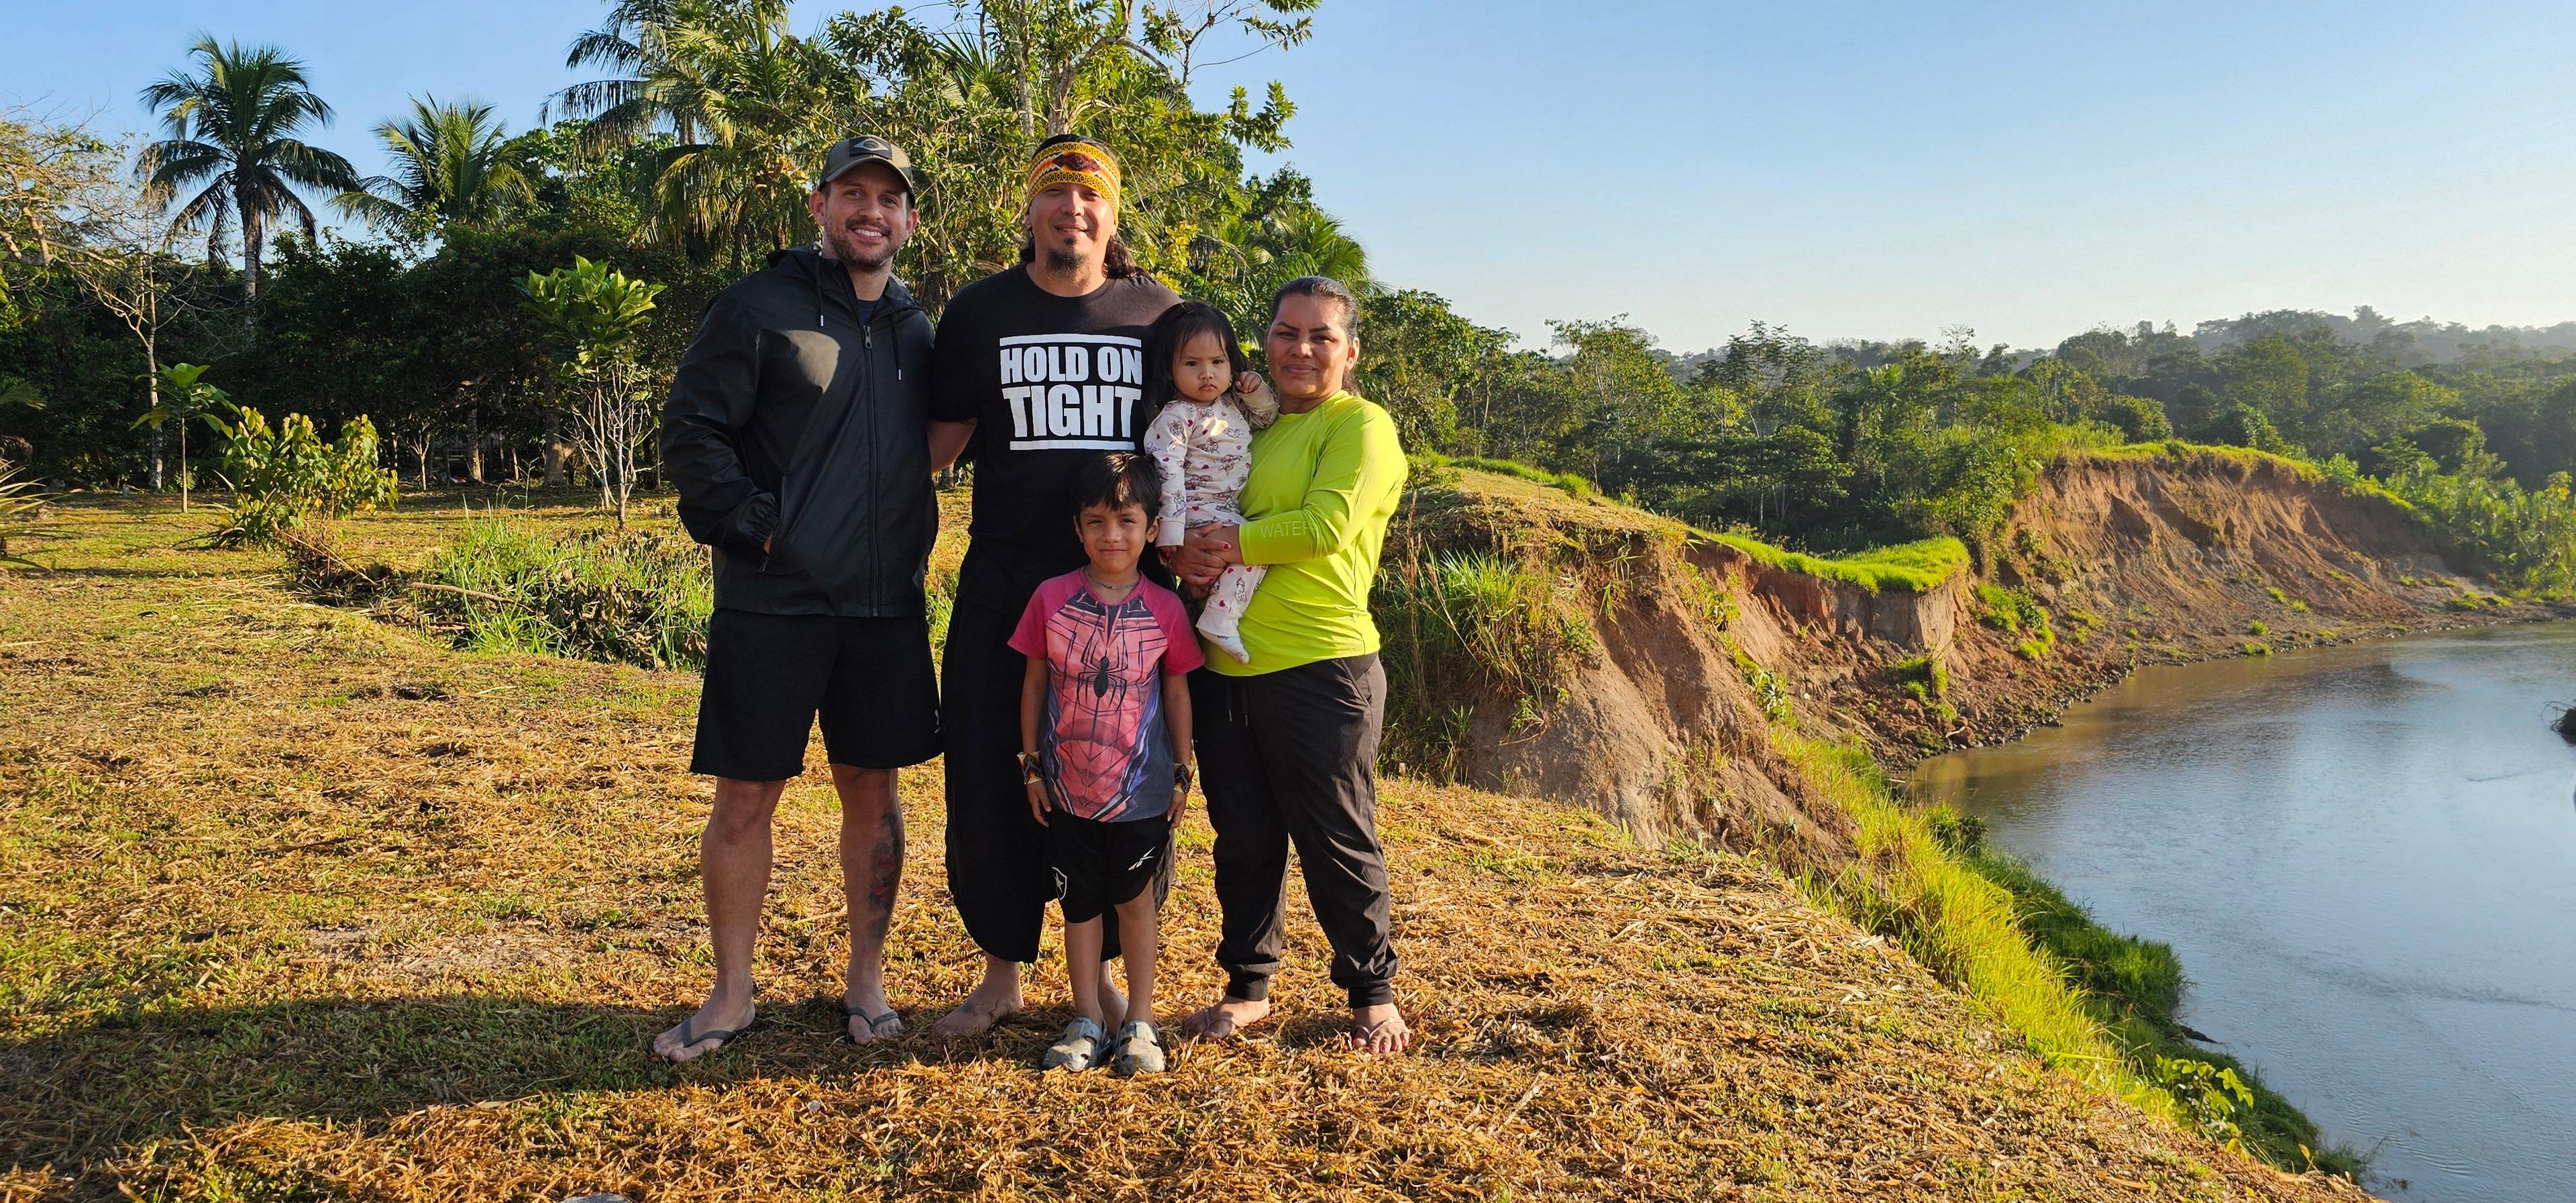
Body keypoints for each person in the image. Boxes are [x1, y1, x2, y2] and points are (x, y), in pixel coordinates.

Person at [653, 136, 938, 1060]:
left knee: (874, 791)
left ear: (908, 221)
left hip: (885, 605)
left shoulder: (916, 329)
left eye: (888, 199)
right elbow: (693, 429)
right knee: (746, 800)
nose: (871, 211)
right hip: (773, 601)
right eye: (852, 193)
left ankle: (867, 978)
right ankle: (732, 993)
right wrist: (753, 526)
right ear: (818, 206)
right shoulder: (757, 306)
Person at [922, 134, 1187, 1036]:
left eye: (1090, 199)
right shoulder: (979, 312)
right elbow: (933, 450)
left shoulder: (1159, 314)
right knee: (991, 782)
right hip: (1006, 593)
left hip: (1124, 606)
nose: (1072, 212)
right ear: (1029, 209)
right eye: (1055, 196)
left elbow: (1201, 432)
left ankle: (1101, 984)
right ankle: (1001, 972)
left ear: (1112, 217)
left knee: (1119, 790)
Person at [1167, 276, 1415, 1055]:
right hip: (1223, 665)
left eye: (1319, 336)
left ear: (1349, 351)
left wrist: (1227, 543)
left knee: (1336, 833)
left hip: (1322, 664)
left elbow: (1326, 525)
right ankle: (1248, 984)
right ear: (1263, 342)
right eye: (1284, 332)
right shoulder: (1248, 424)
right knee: (1243, 836)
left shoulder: (1361, 426)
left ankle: (1371, 990)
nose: (1300, 350)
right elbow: (1203, 497)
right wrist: (1183, 546)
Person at [1011, 453, 1201, 1074]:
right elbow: (1034, 681)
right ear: (1077, 528)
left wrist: (1181, 770)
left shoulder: (1166, 609)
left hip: (1142, 791)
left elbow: (1176, 690)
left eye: (1126, 520)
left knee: (1137, 904)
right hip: (1067, 791)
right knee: (1079, 907)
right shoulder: (1050, 598)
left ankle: (1140, 1020)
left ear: (1151, 530)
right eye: (1096, 521)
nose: (1110, 535)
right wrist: (1032, 767)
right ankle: (1086, 1016)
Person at [1141, 301, 1279, 663]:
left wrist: (1256, 391)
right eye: (1192, 364)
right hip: (1196, 511)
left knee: (1211, 575)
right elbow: (1166, 474)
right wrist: (1171, 534)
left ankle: (1199, 619)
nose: (1207, 374)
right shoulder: (1176, 416)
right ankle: (1221, 619)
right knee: (1253, 552)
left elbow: (1266, 418)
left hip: (1223, 509)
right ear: (1170, 372)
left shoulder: (1232, 404)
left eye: (1218, 362)